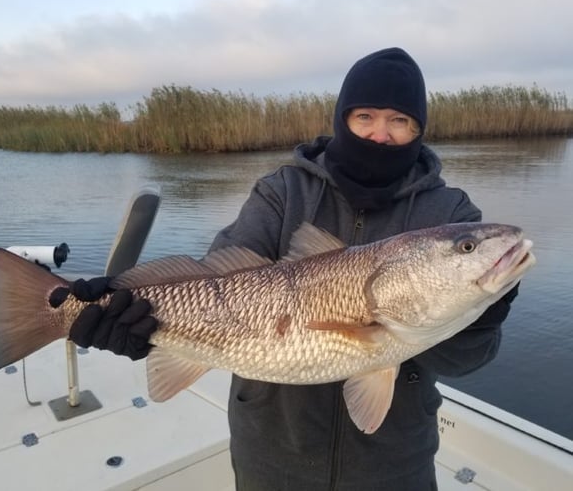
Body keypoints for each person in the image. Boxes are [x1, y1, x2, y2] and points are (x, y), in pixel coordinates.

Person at [66, 47, 519, 490]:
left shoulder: (450, 211)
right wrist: (130, 319)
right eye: (365, 117)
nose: (381, 134)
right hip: (272, 453)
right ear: (342, 119)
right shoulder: (283, 191)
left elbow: (467, 362)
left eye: (400, 121)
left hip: (395, 462)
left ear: (419, 129)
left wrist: (482, 315)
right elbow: (215, 284)